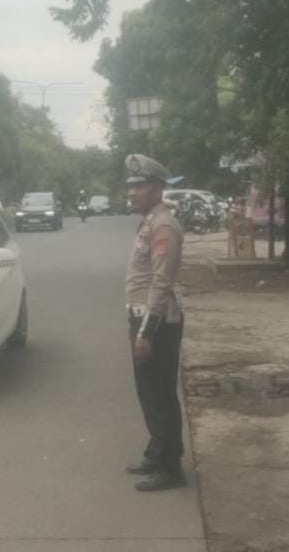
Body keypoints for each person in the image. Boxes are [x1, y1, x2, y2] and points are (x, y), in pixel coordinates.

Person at [123, 153, 186, 492]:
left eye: (140, 186)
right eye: (131, 186)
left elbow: (161, 283)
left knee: (160, 395)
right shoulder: (150, 221)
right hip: (144, 318)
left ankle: (170, 468)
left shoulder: (163, 225)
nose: (132, 192)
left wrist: (145, 332)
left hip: (157, 323)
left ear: (158, 189)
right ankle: (156, 451)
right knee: (148, 392)